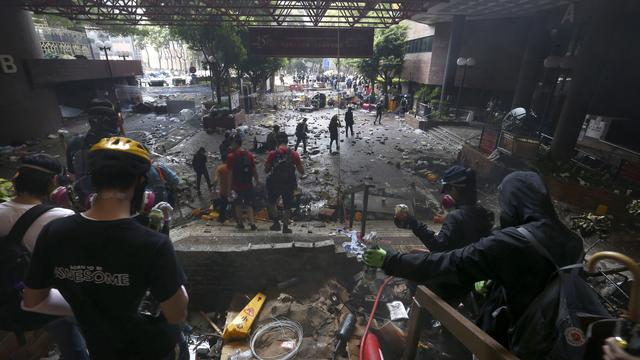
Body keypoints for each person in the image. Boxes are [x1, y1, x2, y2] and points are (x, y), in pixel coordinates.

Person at [363, 171, 584, 354]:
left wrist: (391, 260)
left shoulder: (514, 241)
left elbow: (451, 261)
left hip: (514, 336)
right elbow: (526, 272)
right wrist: (491, 277)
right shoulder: (574, 242)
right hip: (554, 335)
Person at [22, 137, 189, 360]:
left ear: (93, 180)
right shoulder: (152, 243)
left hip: (101, 349)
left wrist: (87, 303)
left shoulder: (53, 232)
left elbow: (33, 300)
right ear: (140, 182)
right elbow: (176, 314)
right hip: (155, 349)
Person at [0, 154, 88, 360]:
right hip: (49, 297)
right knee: (78, 337)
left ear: (16, 180)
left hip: (10, 298)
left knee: (68, 340)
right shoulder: (61, 218)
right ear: (53, 183)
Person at [394, 166, 493, 253]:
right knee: (415, 252)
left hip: (453, 266)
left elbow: (437, 247)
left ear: (455, 189)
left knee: (412, 254)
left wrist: (413, 222)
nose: (447, 195)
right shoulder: (485, 213)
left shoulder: (456, 217)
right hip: (467, 259)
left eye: (448, 191)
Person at [265, 133, 304, 234]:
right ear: (287, 141)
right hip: (289, 184)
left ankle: (276, 222)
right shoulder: (294, 154)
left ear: (276, 142)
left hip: (275, 183)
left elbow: (266, 170)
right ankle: (285, 227)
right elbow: (302, 171)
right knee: (287, 206)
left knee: (271, 202)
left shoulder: (272, 154)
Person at [226, 135, 258, 230]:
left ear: (236, 144)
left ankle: (240, 224)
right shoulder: (249, 155)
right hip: (248, 184)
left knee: (237, 204)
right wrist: (257, 180)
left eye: (232, 143)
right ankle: (252, 224)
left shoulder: (231, 156)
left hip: (236, 185)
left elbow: (230, 173)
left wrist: (229, 188)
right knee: (248, 204)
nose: (231, 145)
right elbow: (254, 170)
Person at [213, 159, 231, 223]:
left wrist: (214, 188)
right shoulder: (231, 167)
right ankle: (234, 217)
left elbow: (215, 180)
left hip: (223, 189)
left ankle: (222, 218)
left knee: (223, 204)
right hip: (232, 188)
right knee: (235, 203)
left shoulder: (220, 168)